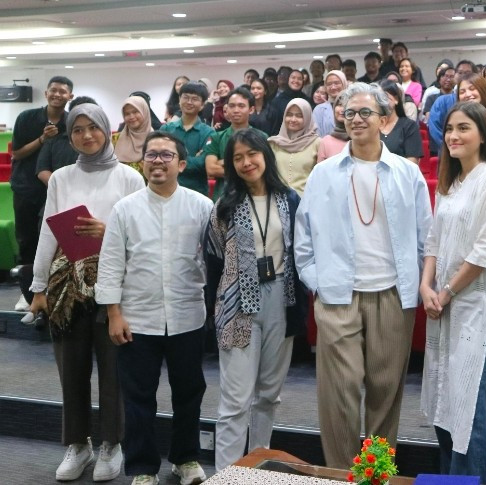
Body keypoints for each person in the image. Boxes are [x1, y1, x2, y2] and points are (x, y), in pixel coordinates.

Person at [294, 82, 432, 469]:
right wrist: (315, 281)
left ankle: (374, 476)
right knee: (338, 394)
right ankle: (340, 476)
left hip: (392, 295)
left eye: (365, 113)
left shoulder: (407, 173)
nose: (356, 119)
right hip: (338, 295)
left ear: (385, 120)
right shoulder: (323, 173)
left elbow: (426, 235)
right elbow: (302, 235)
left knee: (385, 396)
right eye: (349, 113)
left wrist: (418, 281)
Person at [28, 103, 145, 482]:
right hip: (67, 288)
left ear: (106, 130)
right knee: (71, 369)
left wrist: (106, 229)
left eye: (92, 128)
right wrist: (38, 285)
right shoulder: (61, 177)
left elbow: (142, 236)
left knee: (114, 370)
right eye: (77, 130)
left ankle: (113, 443)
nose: (86, 136)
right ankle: (78, 444)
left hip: (114, 288)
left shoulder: (129, 177)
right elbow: (49, 231)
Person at [96, 131, 211, 485]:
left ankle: (186, 459)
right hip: (136, 319)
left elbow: (214, 262)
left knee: (189, 393)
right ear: (142, 162)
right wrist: (113, 313)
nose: (157, 161)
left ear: (181, 163)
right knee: (138, 397)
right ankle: (143, 468)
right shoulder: (125, 209)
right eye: (151, 155)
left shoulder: (202, 206)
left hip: (188, 316)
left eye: (166, 155)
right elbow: (111, 263)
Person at [419, 101, 486, 485]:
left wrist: (447, 292)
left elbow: (485, 251)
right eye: (450, 129)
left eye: (463, 129)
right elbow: (434, 241)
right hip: (443, 306)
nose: (454, 136)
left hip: (473, 309)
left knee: (470, 413)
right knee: (446, 410)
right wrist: (426, 286)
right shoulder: (450, 182)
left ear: (483, 134)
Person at [203, 129, 305, 471]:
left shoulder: (290, 199)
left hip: (282, 299)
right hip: (236, 306)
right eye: (238, 157)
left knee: (268, 396)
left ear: (266, 155)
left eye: (252, 154)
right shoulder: (225, 205)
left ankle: (258, 467)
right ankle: (227, 475)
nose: (247, 162)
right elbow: (214, 260)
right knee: (235, 401)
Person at [10, 76, 74, 312]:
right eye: (54, 91)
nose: (58, 95)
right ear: (46, 93)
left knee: (57, 242)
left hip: (58, 190)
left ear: (70, 97)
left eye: (63, 92)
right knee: (27, 240)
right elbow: (17, 153)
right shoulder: (27, 118)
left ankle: (54, 290)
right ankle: (27, 292)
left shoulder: (71, 122)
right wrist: (42, 139)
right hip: (27, 188)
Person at [206, 87, 268, 201]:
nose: (235, 110)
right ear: (227, 108)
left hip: (255, 196)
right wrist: (249, 169)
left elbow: (265, 168)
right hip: (224, 197)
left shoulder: (262, 137)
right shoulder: (216, 137)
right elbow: (211, 169)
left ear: (251, 109)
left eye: (241, 106)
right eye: (232, 106)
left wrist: (224, 162)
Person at [160, 81, 216, 196]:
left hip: (196, 192)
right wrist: (193, 159)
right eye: (185, 97)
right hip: (166, 191)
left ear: (202, 105)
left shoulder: (209, 132)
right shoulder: (166, 129)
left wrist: (171, 159)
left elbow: (203, 163)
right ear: (179, 100)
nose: (189, 102)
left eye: (195, 99)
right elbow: (160, 159)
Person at [36, 96, 97, 186]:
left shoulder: (102, 140)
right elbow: (42, 170)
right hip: (61, 193)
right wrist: (63, 188)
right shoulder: (54, 140)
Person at [268, 98, 320, 196]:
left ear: (308, 117)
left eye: (299, 116)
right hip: (278, 201)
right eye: (289, 115)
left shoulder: (317, 143)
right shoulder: (274, 143)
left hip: (305, 202)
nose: (293, 119)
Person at [378, 80, 423, 163]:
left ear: (396, 100)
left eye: (385, 97)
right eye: (378, 99)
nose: (382, 103)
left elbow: (412, 163)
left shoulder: (409, 126)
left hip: (400, 174)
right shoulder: (373, 126)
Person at [115, 96, 154, 172]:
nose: (131, 117)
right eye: (127, 114)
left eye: (135, 112)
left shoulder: (157, 140)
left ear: (144, 112)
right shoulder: (115, 140)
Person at [269, 69, 311, 136]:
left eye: (299, 79)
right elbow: (274, 125)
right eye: (293, 78)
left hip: (304, 138)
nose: (296, 81)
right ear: (288, 80)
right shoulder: (277, 101)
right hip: (282, 139)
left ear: (303, 81)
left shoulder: (307, 101)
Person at [312, 70, 348, 138]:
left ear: (344, 83)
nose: (333, 87)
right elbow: (316, 135)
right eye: (329, 84)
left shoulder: (352, 105)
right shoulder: (319, 109)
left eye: (337, 83)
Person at [317, 92, 349, 162]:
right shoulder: (326, 141)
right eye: (340, 105)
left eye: (347, 105)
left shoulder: (360, 139)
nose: (342, 109)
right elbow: (320, 172)